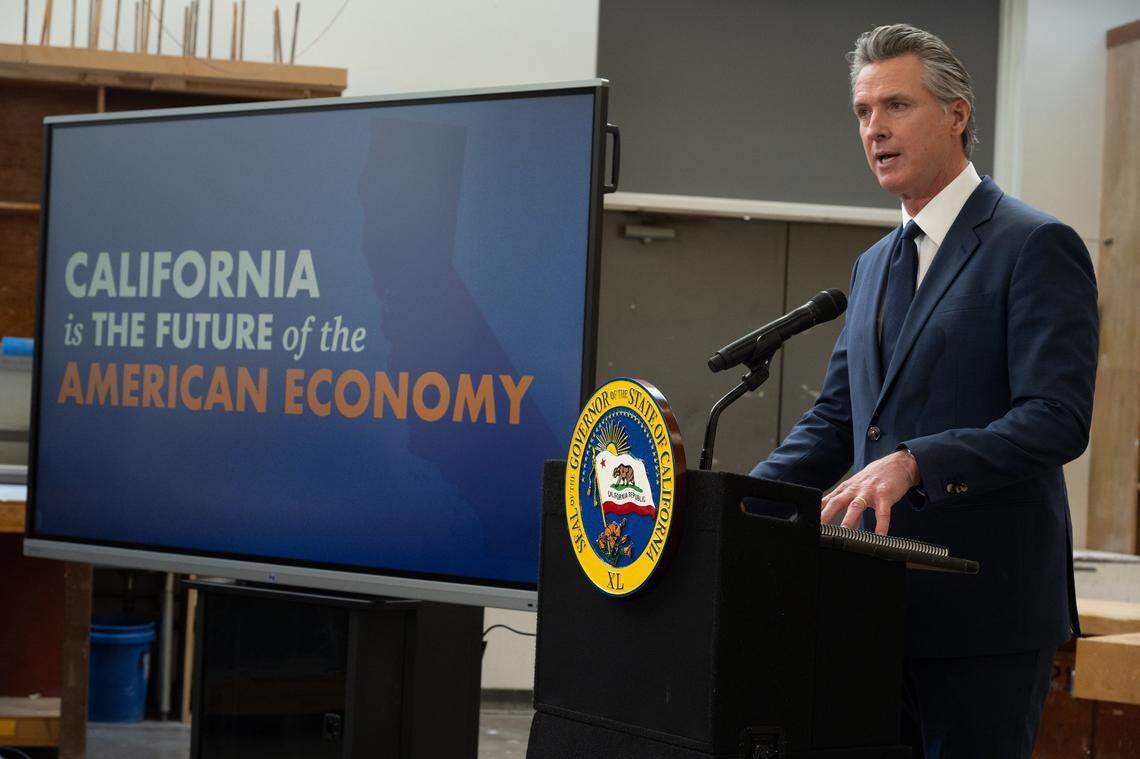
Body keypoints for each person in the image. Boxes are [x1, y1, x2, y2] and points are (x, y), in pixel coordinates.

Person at [749, 24, 1098, 759]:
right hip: (872, 611)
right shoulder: (875, 262)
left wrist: (917, 461)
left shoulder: (1033, 244)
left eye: (896, 106)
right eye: (863, 112)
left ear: (957, 115)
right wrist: (739, 503)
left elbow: (1056, 418)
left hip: (985, 620)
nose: (874, 128)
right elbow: (838, 418)